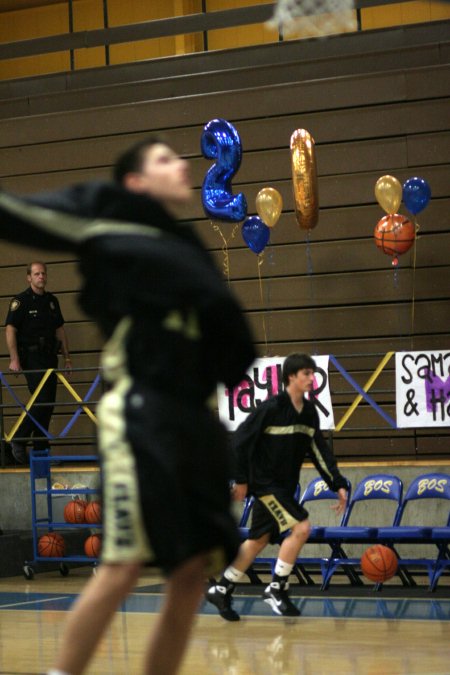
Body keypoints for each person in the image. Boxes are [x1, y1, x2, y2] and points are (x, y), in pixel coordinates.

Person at [0, 136, 255, 675]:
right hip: (141, 412)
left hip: (195, 422)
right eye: (165, 158)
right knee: (122, 565)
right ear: (135, 182)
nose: (183, 164)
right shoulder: (111, 213)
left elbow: (234, 348)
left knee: (191, 572)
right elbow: (21, 214)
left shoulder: (191, 248)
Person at [206, 353, 348, 621]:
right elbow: (239, 442)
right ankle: (277, 588)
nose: (311, 378)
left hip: (285, 486)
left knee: (257, 540)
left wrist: (337, 483)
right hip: (265, 484)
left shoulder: (308, 413)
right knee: (301, 527)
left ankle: (221, 588)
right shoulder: (270, 409)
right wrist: (242, 480)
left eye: (313, 373)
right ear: (290, 377)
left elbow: (319, 451)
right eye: (306, 373)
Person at [5, 261, 72, 464]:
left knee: (47, 405)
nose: (41, 277)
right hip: (31, 358)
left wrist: (67, 357)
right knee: (41, 399)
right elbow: (10, 330)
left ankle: (41, 454)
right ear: (29, 277)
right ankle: (18, 438)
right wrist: (14, 358)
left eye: (43, 273)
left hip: (50, 357)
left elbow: (59, 330)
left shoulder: (52, 301)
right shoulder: (21, 301)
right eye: (36, 274)